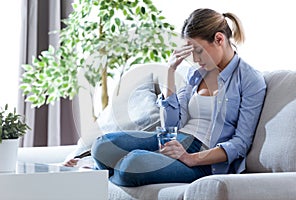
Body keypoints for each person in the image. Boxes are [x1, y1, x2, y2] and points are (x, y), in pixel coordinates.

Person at [69, 8, 267, 187]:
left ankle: (98, 173)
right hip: (176, 141)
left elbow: (240, 143)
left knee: (131, 163)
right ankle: (101, 167)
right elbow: (171, 123)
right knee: (102, 146)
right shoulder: (194, 74)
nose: (195, 59)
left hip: (205, 159)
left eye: (198, 51)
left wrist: (191, 158)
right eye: (191, 52)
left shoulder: (250, 80)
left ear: (219, 39)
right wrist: (171, 72)